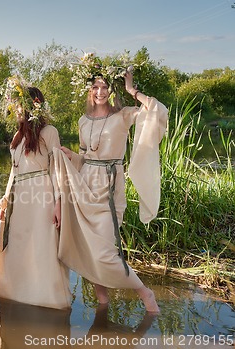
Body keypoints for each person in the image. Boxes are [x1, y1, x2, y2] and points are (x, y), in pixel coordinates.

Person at [55, 53, 167, 313]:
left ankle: (143, 291)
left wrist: (132, 90)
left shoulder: (124, 115)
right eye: (95, 86)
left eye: (105, 86)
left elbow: (157, 112)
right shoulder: (83, 121)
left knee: (105, 251)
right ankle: (103, 305)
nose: (100, 91)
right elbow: (84, 157)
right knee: (89, 250)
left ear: (112, 89)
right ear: (89, 90)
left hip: (109, 186)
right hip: (85, 186)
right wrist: (71, 156)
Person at [0, 76, 71, 309]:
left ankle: (47, 298)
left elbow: (57, 169)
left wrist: (59, 202)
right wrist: (6, 200)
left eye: (19, 106)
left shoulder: (49, 132)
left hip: (41, 197)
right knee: (19, 247)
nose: (15, 110)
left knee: (42, 247)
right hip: (19, 198)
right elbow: (13, 172)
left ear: (32, 106)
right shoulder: (17, 138)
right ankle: (18, 295)